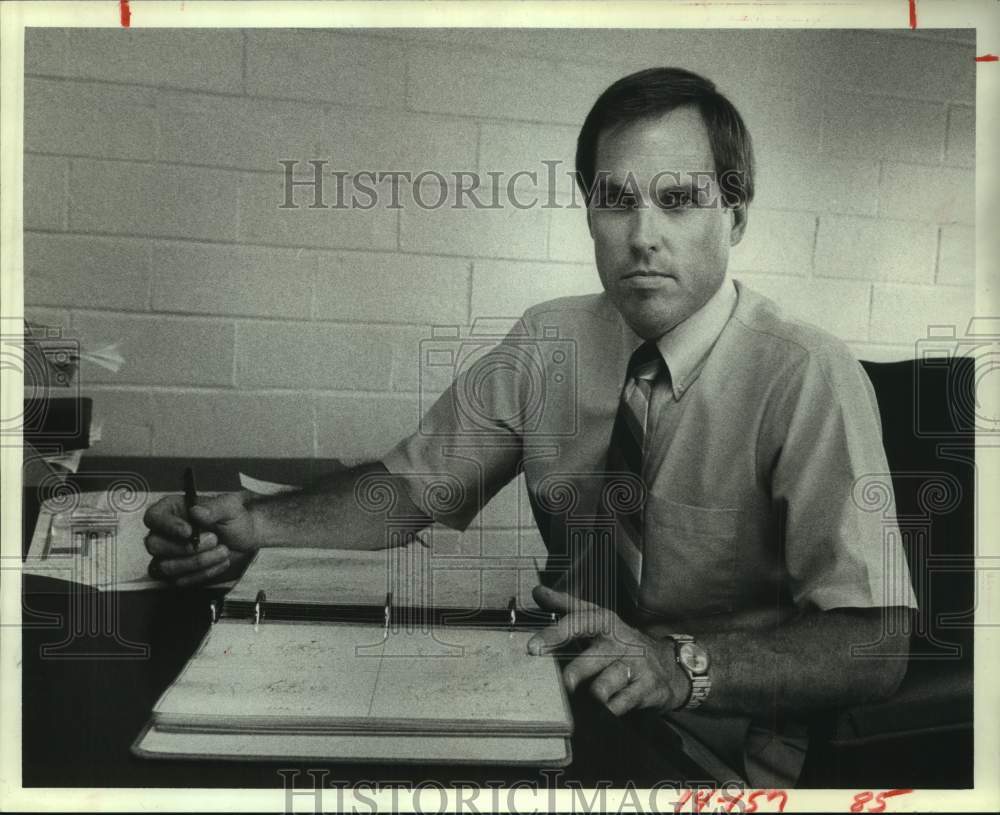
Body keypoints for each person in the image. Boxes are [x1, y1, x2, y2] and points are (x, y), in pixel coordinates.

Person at [144, 67, 916, 786]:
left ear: (735, 214)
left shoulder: (808, 371)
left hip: (717, 742)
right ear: (589, 213)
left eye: (678, 199)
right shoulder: (549, 341)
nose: (643, 233)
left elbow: (878, 643)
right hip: (554, 698)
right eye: (616, 200)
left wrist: (682, 663)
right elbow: (408, 492)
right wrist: (252, 522)